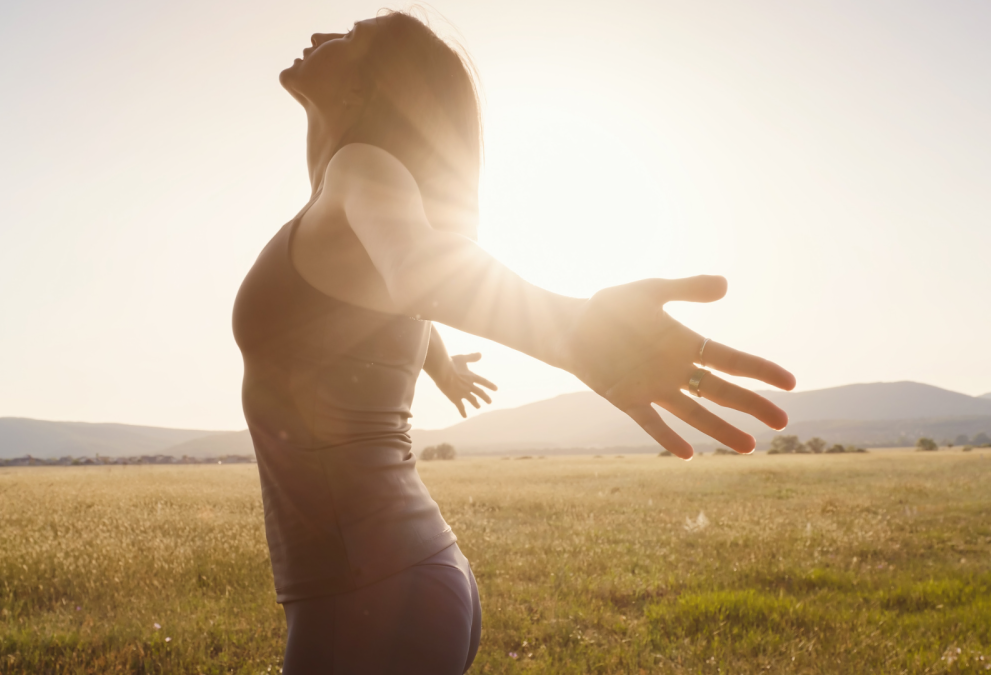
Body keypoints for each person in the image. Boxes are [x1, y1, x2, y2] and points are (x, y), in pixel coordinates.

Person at [232, 11, 795, 674]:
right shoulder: (349, 196)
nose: (324, 35)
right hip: (402, 576)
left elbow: (419, 270)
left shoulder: (363, 168)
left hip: (367, 590)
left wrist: (579, 334)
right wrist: (441, 365)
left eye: (352, 37)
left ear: (367, 89)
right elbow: (393, 291)